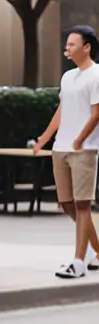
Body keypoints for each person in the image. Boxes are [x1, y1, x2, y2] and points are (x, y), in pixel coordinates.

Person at [34, 25, 99, 278]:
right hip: (61, 148)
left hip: (84, 149)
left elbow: (96, 114)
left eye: (72, 44)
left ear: (87, 47)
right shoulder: (67, 77)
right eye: (67, 44)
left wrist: (80, 139)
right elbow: (61, 111)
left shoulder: (97, 75)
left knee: (83, 204)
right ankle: (95, 251)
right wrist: (44, 140)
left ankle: (79, 262)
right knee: (66, 203)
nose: (67, 48)